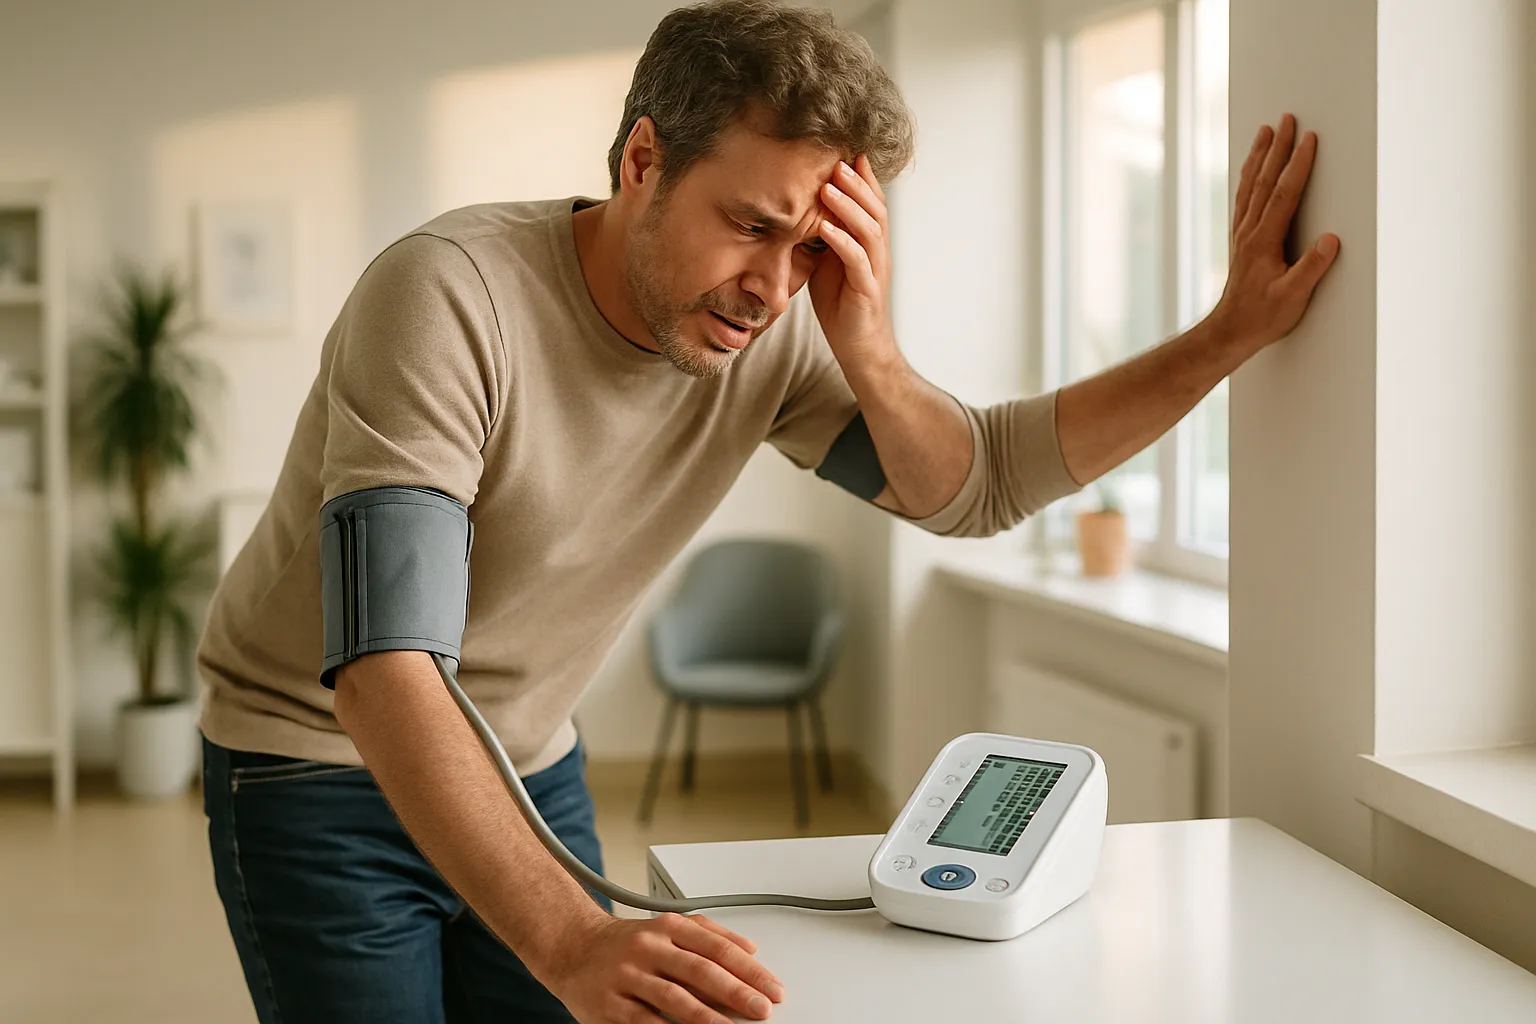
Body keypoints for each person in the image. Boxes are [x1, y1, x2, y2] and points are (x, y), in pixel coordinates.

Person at [195, 1, 1339, 1022]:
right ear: (643, 157)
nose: (775, 284)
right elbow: (389, 666)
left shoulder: (773, 330)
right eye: (751, 224)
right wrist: (571, 935)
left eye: (810, 245)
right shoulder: (450, 294)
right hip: (314, 765)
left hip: (528, 759)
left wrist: (880, 350)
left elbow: (978, 485)